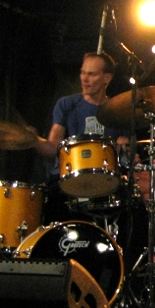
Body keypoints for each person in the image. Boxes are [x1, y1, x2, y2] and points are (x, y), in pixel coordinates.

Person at [33, 52, 130, 221]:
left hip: (104, 182)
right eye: (83, 72)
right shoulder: (66, 104)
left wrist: (125, 149)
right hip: (65, 179)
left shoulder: (119, 109)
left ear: (107, 78)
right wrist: (31, 139)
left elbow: (127, 156)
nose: (85, 78)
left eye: (91, 74)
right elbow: (52, 148)